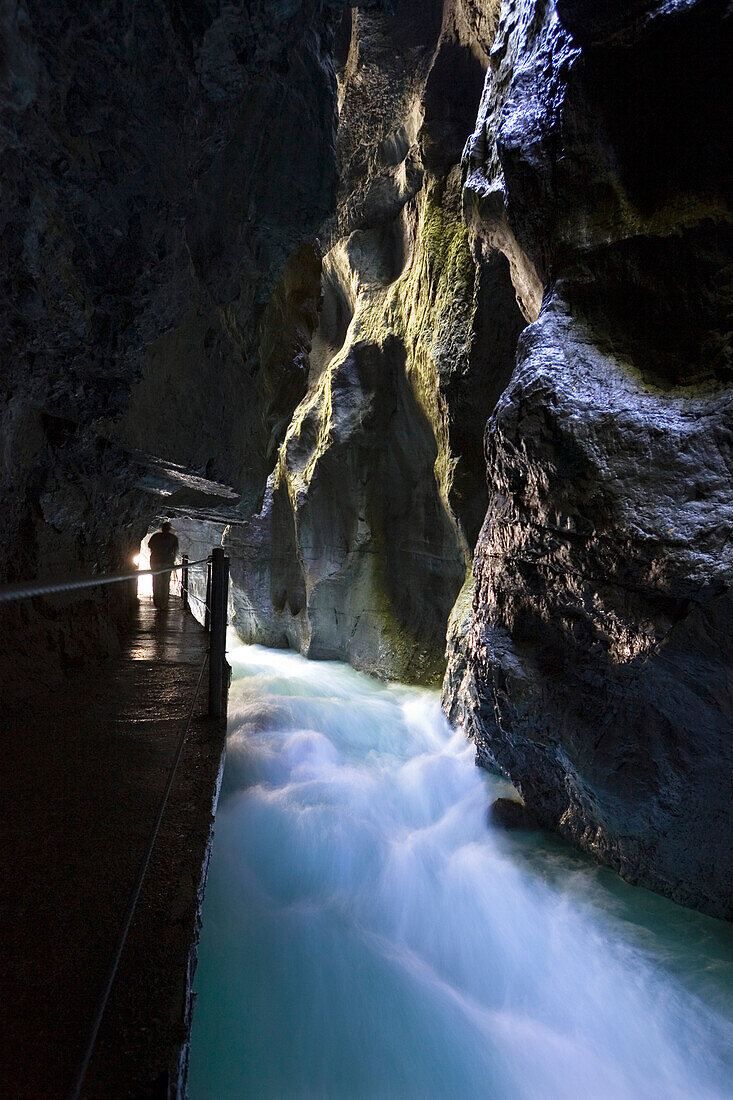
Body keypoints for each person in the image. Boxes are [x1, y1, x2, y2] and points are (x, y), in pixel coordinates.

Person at [148, 521, 179, 609]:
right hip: (167, 562)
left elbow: (150, 546)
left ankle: (157, 602)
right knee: (165, 582)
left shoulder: (155, 536)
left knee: (156, 581)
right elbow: (175, 550)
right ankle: (164, 603)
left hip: (155, 561)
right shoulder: (173, 538)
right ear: (169, 529)